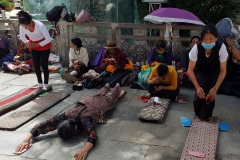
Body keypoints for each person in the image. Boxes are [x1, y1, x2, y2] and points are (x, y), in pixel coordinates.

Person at [14, 83, 121, 160]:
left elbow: (93, 135)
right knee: (97, 95)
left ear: (75, 129)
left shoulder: (85, 120)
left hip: (99, 104)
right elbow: (41, 126)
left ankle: (115, 86)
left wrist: (84, 150)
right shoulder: (64, 116)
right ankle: (105, 86)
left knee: (110, 97)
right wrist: (26, 140)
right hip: (87, 100)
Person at [188, 24, 228, 123]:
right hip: (200, 70)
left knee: (211, 92)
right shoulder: (196, 48)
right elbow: (190, 69)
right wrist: (197, 87)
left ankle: (209, 114)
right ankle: (199, 114)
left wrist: (215, 88)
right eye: (205, 39)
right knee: (201, 89)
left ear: (216, 38)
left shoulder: (221, 47)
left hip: (215, 70)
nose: (208, 41)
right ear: (201, 39)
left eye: (211, 39)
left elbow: (223, 70)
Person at [18, 10, 52, 90]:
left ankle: (46, 84)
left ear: (31, 22)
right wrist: (27, 43)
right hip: (33, 45)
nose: (26, 28)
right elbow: (22, 36)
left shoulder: (40, 25)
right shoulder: (22, 26)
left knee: (44, 64)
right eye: (24, 27)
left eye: (27, 26)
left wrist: (36, 44)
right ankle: (40, 83)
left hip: (44, 44)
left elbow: (48, 39)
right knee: (36, 65)